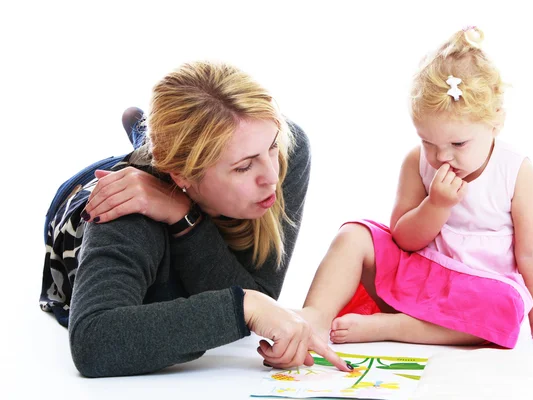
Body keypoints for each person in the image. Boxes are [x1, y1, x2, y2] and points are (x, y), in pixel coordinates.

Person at [40, 61, 351, 377]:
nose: (272, 177)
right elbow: (94, 343)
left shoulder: (283, 144)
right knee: (147, 165)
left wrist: (184, 216)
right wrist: (245, 307)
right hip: (79, 201)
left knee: (175, 150)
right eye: (244, 167)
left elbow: (260, 290)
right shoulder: (126, 216)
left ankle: (142, 129)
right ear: (181, 175)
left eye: (271, 148)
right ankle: (143, 136)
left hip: (178, 178)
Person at [298, 27, 533, 349]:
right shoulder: (417, 162)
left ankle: (399, 327)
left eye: (458, 143)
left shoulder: (515, 170)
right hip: (421, 278)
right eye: (428, 142)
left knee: (506, 306)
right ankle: (314, 318)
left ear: (496, 121)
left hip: (477, 293)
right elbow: (403, 240)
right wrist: (436, 205)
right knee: (354, 234)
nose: (441, 156)